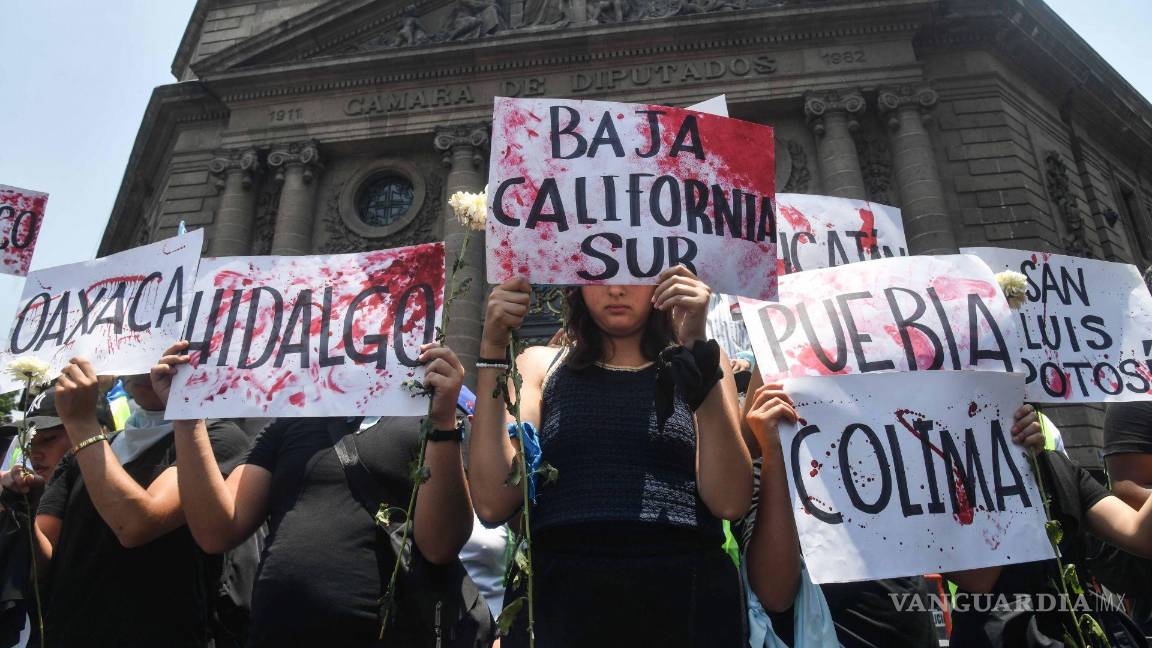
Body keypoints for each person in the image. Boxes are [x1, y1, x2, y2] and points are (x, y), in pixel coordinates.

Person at [469, 266, 754, 647]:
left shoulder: (704, 359)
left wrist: (696, 352)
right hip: (562, 608)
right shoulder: (538, 366)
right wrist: (492, 350)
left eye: (635, 272)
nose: (616, 289)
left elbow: (731, 500)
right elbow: (492, 501)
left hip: (685, 605)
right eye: (599, 273)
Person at [156, 340, 482, 647]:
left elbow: (441, 546)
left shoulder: (422, 418)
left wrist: (442, 421)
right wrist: (186, 417)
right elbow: (217, 530)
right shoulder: (290, 423)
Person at [31, 357, 250, 647]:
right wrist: (17, 515)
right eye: (135, 353)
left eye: (160, 353)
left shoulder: (214, 439)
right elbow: (40, 560)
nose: (146, 367)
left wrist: (81, 424)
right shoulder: (84, 454)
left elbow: (136, 525)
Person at [736, 371, 940, 648]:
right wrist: (774, 451)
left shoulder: (898, 456)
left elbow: (976, 576)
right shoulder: (767, 469)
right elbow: (775, 595)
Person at [947, 403, 1152, 648]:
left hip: (1076, 631)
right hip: (1002, 636)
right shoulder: (949, 476)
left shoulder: (1057, 466)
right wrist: (1001, 462)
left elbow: (1139, 534)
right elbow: (978, 580)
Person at [0, 388, 98, 647]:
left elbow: (42, 567)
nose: (35, 452)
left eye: (49, 439)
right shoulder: (24, 492)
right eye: (31, 441)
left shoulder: (98, 498)